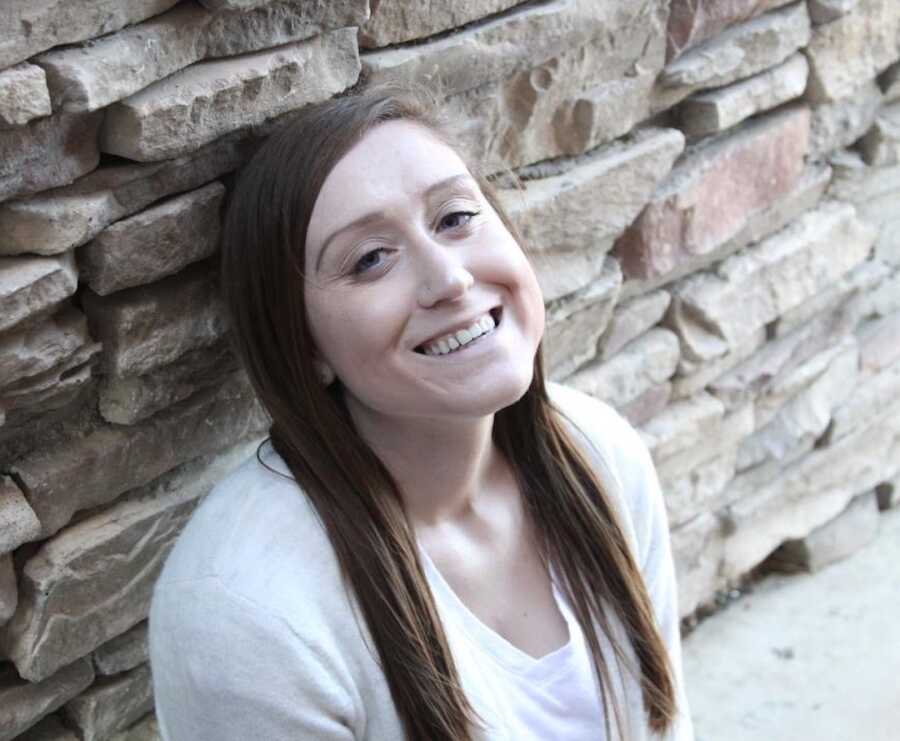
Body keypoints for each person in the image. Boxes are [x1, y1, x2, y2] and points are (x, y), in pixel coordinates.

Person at [148, 82, 695, 741]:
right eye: (371, 260)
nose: (451, 279)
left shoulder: (602, 454)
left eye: (455, 218)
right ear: (305, 345)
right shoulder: (250, 615)